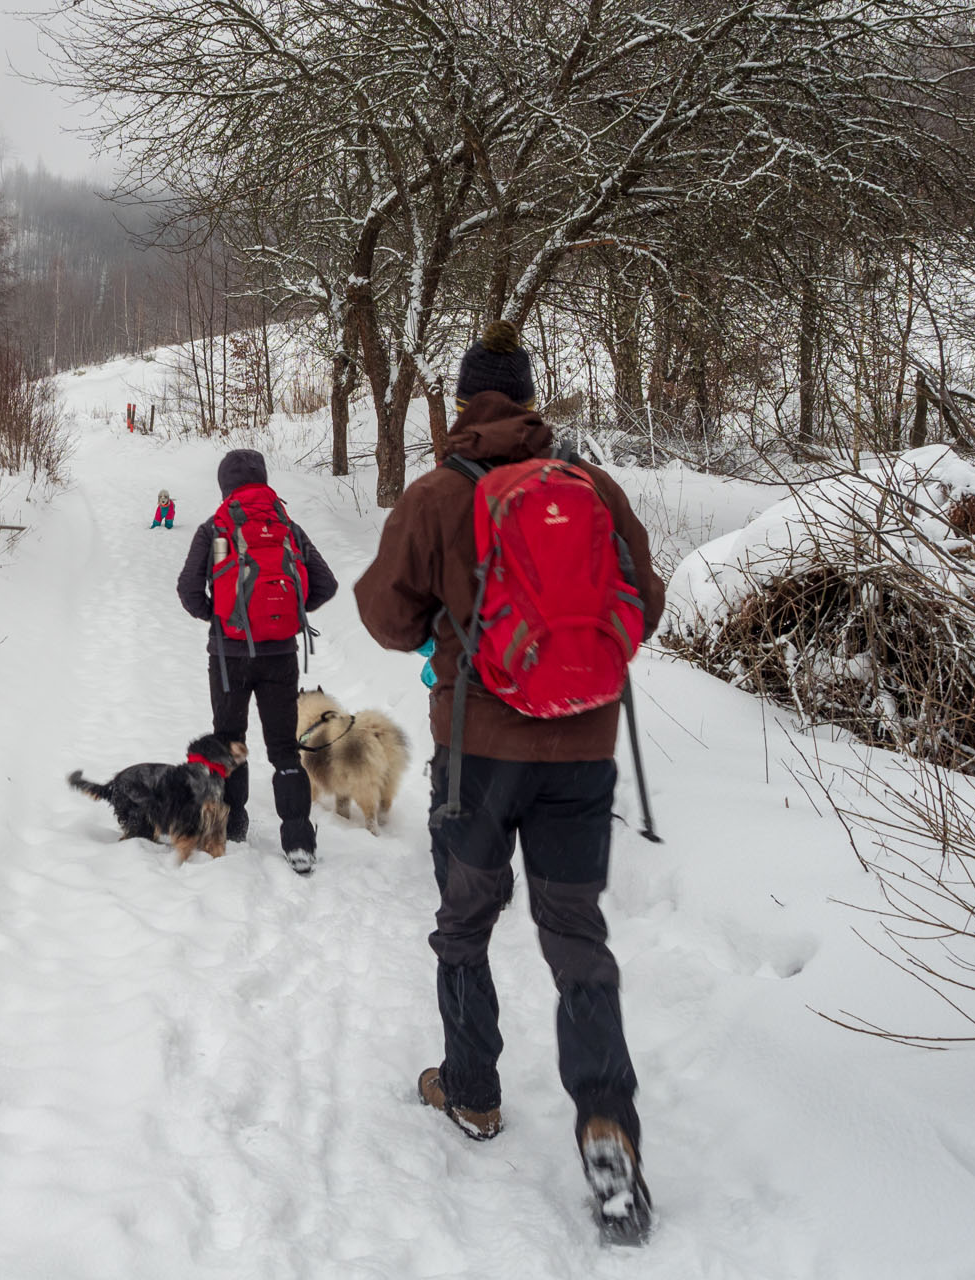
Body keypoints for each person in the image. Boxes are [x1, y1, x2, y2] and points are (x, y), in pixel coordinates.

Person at [353, 321, 666, 1241]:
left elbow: (381, 613)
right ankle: (607, 1123)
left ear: (461, 403)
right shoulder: (593, 488)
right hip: (581, 751)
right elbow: (642, 600)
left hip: (479, 756)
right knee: (576, 936)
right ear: (532, 401)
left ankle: (473, 1091)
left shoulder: (438, 495)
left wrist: (448, 634)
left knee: (465, 922)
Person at [176, 449, 337, 875]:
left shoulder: (215, 528)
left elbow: (188, 590)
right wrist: (290, 615)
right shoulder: (287, 526)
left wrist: (219, 619)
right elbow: (326, 583)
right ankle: (299, 841)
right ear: (263, 479)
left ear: (224, 485)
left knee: (230, 740)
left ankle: (233, 827)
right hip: (281, 654)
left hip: (229, 656)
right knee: (284, 749)